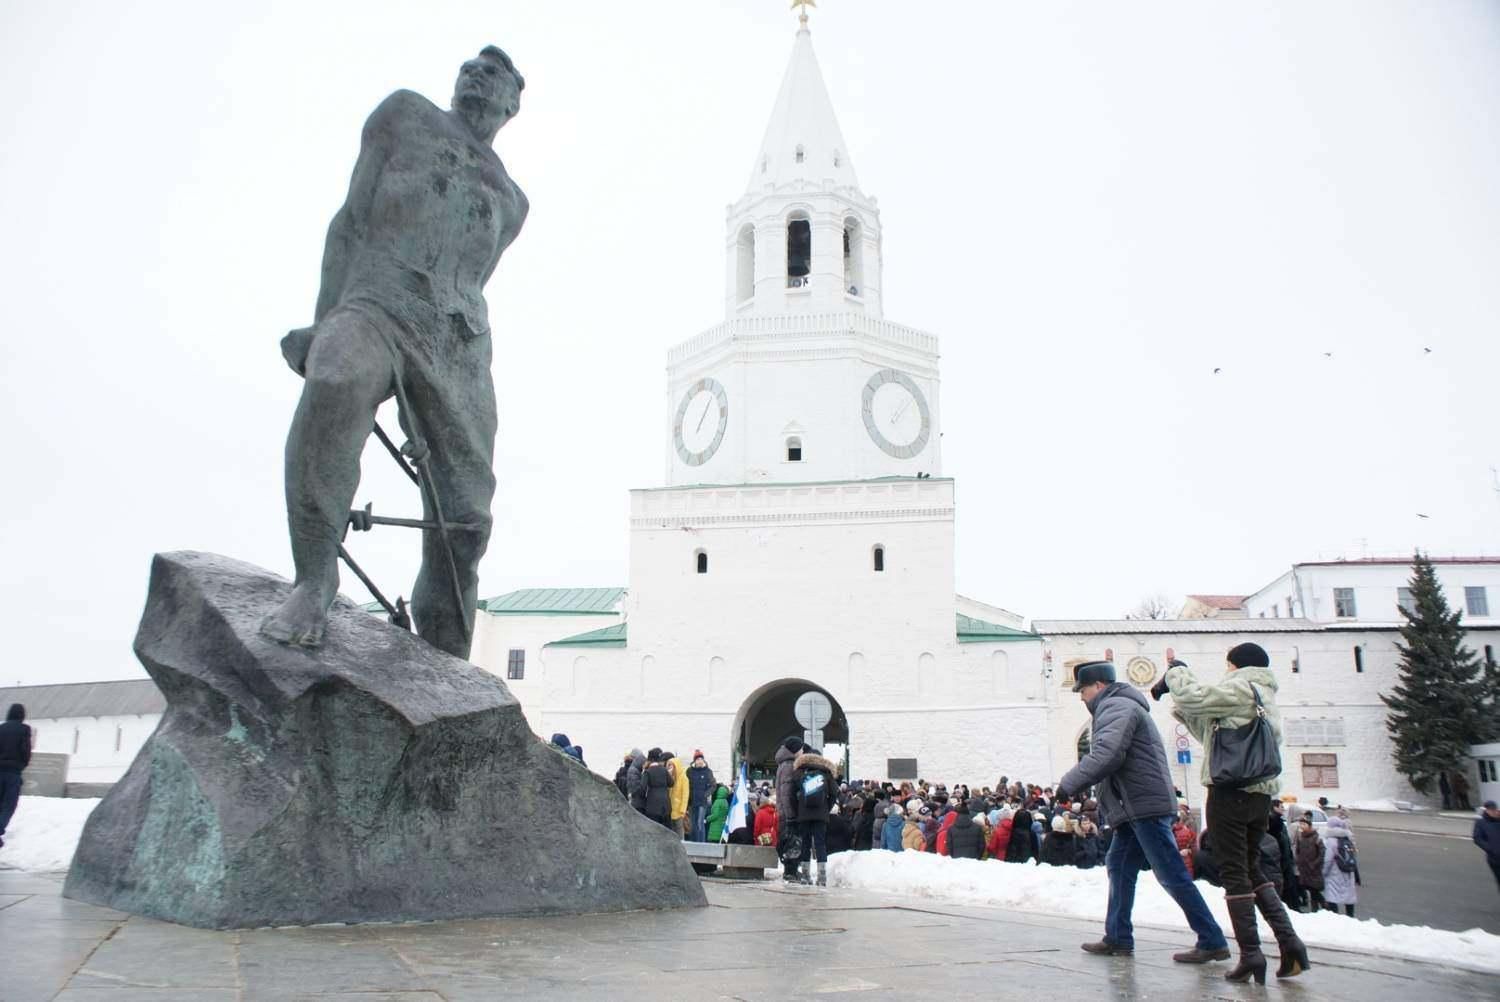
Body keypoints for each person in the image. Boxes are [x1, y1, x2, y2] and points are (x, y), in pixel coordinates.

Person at [259, 47, 529, 658]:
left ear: (513, 103)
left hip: (457, 341)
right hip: (377, 299)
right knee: (335, 378)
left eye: (494, 74)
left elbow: (474, 274)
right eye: (471, 67)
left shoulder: (512, 200)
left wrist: (433, 409)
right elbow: (350, 221)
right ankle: (314, 581)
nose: (476, 76)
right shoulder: (405, 116)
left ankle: (445, 646)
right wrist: (323, 319)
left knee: (466, 516)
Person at [1155, 644, 1309, 982]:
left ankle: (1251, 955)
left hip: (1230, 793)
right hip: (1260, 797)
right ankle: (1290, 942)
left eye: (1227, 665)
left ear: (1234, 664)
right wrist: (1181, 703)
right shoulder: (1264, 694)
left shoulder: (1240, 686)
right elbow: (1216, 738)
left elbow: (1196, 696)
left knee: (1234, 872)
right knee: (1251, 867)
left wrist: (1176, 672)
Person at [1059, 661, 1230, 967]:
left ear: (1098, 686)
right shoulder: (1116, 706)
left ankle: (1212, 939)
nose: (1081, 698)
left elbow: (1107, 754)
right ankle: (1118, 936)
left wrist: (1069, 784)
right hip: (1133, 807)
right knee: (1119, 866)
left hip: (1143, 807)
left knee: (1170, 872)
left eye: (1082, 690)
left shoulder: (1116, 707)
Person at [792, 746, 838, 884]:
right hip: (821, 815)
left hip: (804, 815)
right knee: (820, 844)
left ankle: (805, 876)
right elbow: (834, 794)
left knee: (805, 843)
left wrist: (798, 810)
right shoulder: (826, 773)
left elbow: (792, 795)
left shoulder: (799, 772)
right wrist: (826, 808)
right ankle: (822, 877)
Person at [0, 704, 31, 849]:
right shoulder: (24, 729)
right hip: (13, 773)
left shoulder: (1, 728)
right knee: (9, 805)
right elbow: (25, 750)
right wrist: (22, 764)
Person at [775, 737, 804, 882]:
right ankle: (790, 872)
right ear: (795, 750)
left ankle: (791, 871)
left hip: (783, 811)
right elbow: (786, 792)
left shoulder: (783, 764)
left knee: (789, 841)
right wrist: (791, 815)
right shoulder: (789, 765)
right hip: (788, 813)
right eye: (801, 749)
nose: (802, 751)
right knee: (792, 841)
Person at [1321, 815, 1359, 917]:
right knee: (1349, 896)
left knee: (1332, 896)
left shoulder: (1331, 841)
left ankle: (1335, 918)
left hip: (1335, 872)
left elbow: (1328, 860)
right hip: (1348, 871)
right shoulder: (1348, 838)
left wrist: (1323, 873)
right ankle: (1350, 917)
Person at [1292, 815, 1325, 912]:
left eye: (1304, 824)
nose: (1301, 826)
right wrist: (1298, 861)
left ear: (1309, 825)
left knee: (1314, 889)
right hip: (1303, 868)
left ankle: (1324, 905)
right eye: (1300, 824)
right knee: (1310, 889)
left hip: (1313, 869)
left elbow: (1322, 853)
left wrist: (1314, 864)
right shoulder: (1300, 837)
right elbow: (1298, 850)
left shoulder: (1316, 837)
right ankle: (1316, 910)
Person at [686, 752, 716, 842]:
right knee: (692, 823)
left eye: (701, 759)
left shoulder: (708, 771)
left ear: (703, 760)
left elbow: (713, 785)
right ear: (694, 761)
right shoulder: (689, 771)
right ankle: (693, 842)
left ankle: (701, 843)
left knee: (700, 822)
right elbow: (685, 784)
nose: (699, 761)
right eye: (697, 759)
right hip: (691, 801)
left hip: (702, 802)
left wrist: (706, 794)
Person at [1473, 800, 1500, 895]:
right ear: (1486, 810)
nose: (1494, 812)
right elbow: (1477, 838)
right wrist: (1491, 849)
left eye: (1495, 810)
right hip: (1495, 859)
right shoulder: (1481, 823)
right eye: (1491, 810)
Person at [642, 749, 673, 829]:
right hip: (666, 805)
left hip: (653, 805)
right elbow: (671, 783)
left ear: (650, 760)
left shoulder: (647, 772)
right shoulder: (664, 770)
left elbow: (643, 788)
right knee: (666, 830)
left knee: (654, 829)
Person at [666, 751, 690, 838]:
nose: (670, 768)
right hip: (671, 808)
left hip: (679, 810)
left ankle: (682, 844)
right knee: (673, 829)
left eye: (671, 765)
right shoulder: (671, 778)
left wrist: (683, 809)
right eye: (668, 766)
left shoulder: (684, 778)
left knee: (679, 829)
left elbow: (685, 795)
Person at [626, 748, 647, 815]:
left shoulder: (635, 769)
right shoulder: (634, 771)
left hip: (636, 802)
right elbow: (635, 788)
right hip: (637, 803)